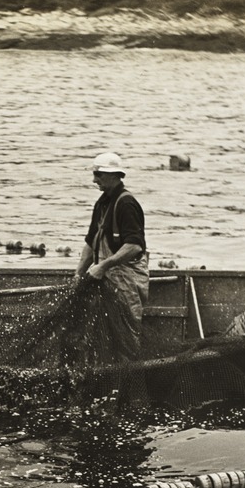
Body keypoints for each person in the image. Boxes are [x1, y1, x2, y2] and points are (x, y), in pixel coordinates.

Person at [74, 151, 149, 356]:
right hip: (105, 280)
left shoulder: (126, 203)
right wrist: (78, 273)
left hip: (127, 282)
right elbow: (91, 242)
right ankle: (110, 376)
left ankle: (128, 378)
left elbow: (135, 246)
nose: (94, 179)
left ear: (114, 175)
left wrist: (103, 266)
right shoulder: (102, 203)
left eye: (98, 175)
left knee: (127, 335)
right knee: (103, 334)